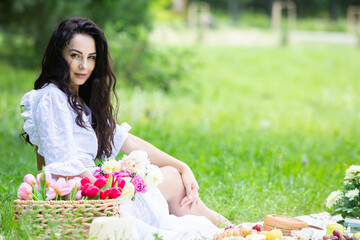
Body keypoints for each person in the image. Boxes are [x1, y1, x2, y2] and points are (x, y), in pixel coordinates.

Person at [20, 17, 231, 239]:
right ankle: (228, 229)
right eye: (75, 56)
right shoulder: (52, 97)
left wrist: (183, 166)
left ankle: (227, 228)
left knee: (171, 174)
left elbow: (127, 141)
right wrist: (111, 190)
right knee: (170, 181)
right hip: (84, 199)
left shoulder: (77, 100)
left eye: (91, 58)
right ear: (59, 56)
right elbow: (62, 165)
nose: (84, 66)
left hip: (93, 189)